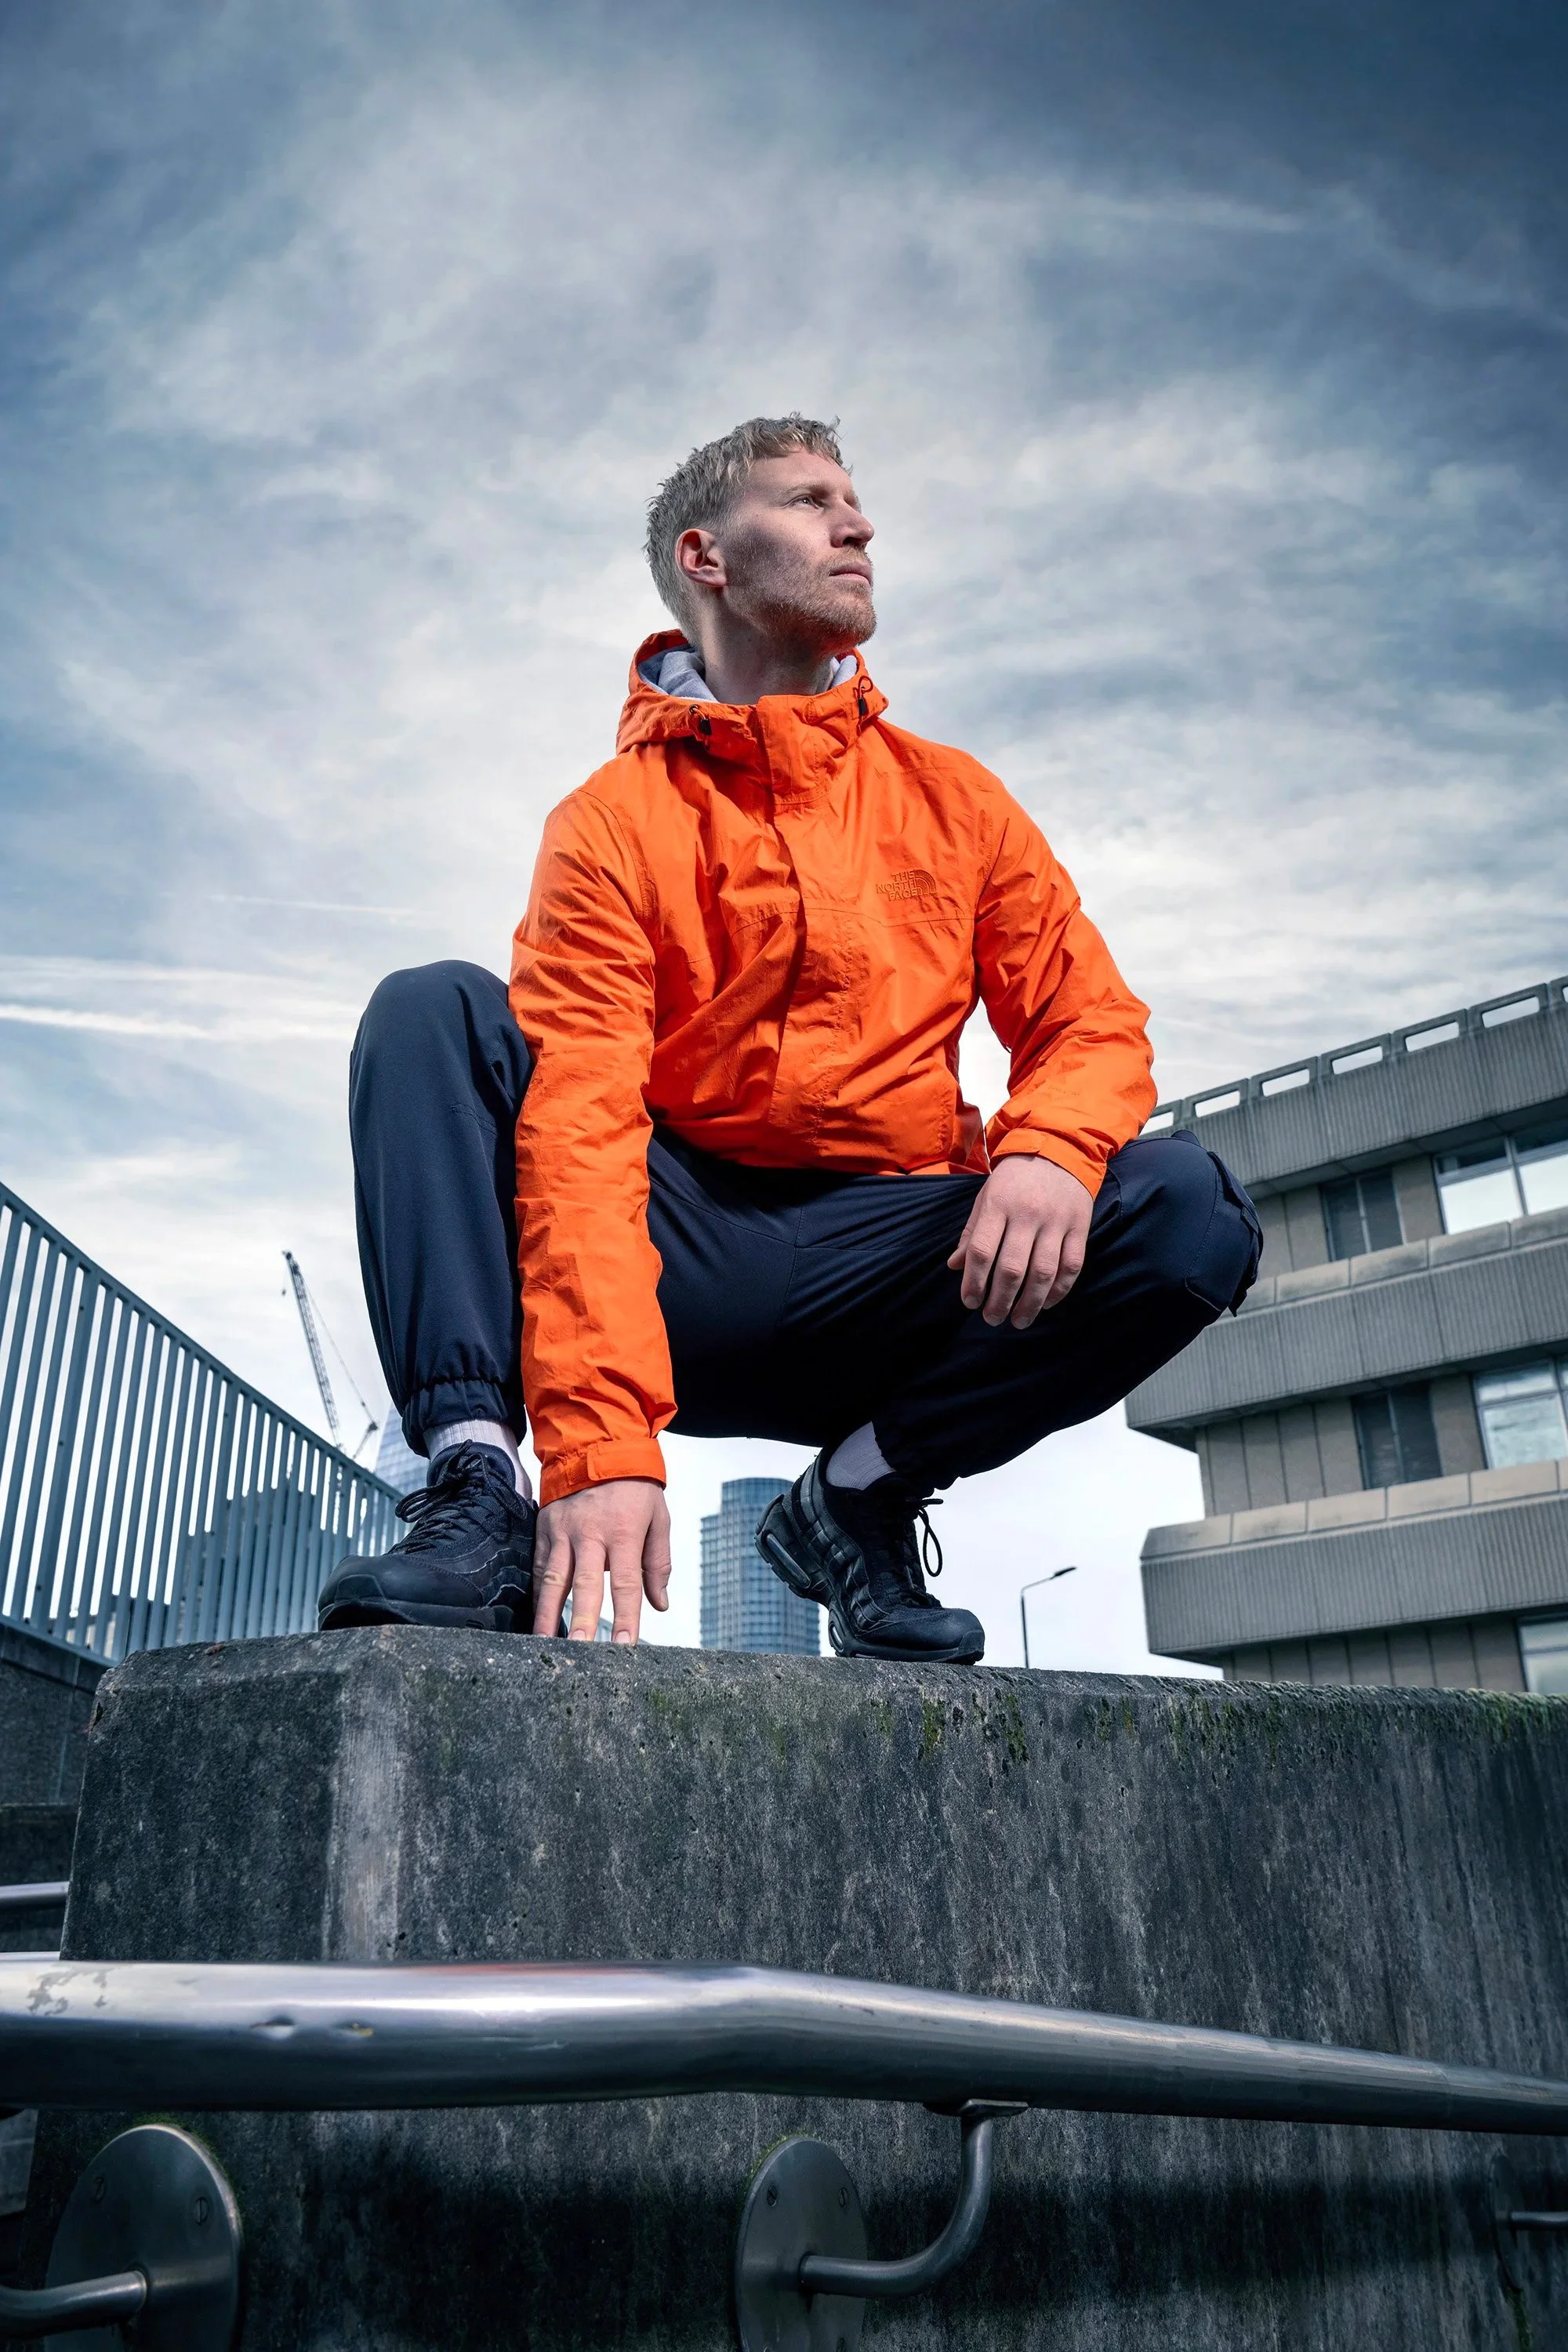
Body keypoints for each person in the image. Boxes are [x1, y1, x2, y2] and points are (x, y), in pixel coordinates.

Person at [318, 415, 1259, 1661]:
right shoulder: (609, 824)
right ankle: (479, 1490)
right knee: (433, 1012)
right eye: (812, 500)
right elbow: (581, 1127)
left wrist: (1049, 1151)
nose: (858, 524)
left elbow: (1089, 1019)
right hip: (682, 1261)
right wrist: (599, 1451)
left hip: (895, 1267)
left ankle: (854, 1499)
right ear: (707, 557)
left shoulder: (956, 799)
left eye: (856, 502)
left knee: (1186, 1207)